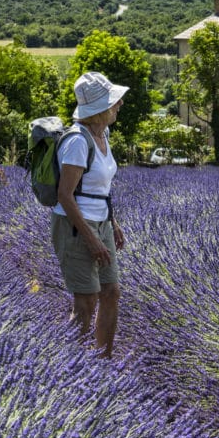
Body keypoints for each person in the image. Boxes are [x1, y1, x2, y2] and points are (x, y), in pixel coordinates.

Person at [52, 71, 128, 358]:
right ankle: (70, 367)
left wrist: (112, 223)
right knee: (85, 302)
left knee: (111, 292)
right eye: (113, 101)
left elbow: (101, 188)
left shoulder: (102, 134)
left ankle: (103, 365)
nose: (119, 104)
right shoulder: (77, 141)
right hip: (74, 226)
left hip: (101, 222)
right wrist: (92, 240)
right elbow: (65, 196)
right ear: (97, 110)